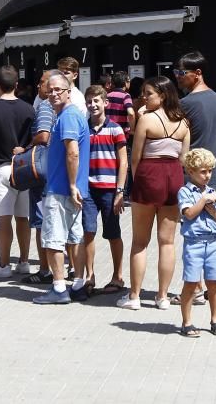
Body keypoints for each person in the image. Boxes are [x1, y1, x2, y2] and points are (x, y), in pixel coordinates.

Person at [116, 76, 190, 310]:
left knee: (140, 242)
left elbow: (135, 156)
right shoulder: (184, 123)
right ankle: (162, 297)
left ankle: (135, 296)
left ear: (163, 95)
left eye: (148, 93)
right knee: (167, 242)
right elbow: (183, 159)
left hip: (149, 174)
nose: (143, 97)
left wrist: (137, 184)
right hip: (174, 177)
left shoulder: (146, 119)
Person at [175, 51, 216, 301]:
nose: (178, 77)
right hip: (214, 175)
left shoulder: (186, 104)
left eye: (182, 73)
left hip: (194, 178)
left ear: (197, 73)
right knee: (214, 233)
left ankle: (196, 289)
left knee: (195, 236)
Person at [33, 72, 91, 304]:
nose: (54, 93)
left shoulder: (67, 117)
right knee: (75, 237)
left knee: (54, 239)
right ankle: (77, 285)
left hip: (61, 189)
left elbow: (73, 152)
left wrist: (71, 184)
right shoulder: (72, 115)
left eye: (59, 89)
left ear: (69, 91)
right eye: (50, 90)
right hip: (72, 189)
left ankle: (58, 289)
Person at [0, 65, 36, 278]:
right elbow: (35, 139)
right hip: (24, 170)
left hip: (1, 168)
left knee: (3, 219)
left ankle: (4, 265)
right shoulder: (29, 109)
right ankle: (23, 261)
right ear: (16, 85)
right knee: (23, 218)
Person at [81, 86, 128, 294]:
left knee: (112, 233)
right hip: (88, 189)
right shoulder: (83, 128)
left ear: (106, 103)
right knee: (88, 232)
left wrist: (120, 191)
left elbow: (124, 162)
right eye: (89, 101)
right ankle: (89, 276)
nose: (93, 105)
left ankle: (118, 276)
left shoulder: (115, 129)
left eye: (96, 101)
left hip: (110, 190)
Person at [177, 148, 216, 337]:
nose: (207, 175)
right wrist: (203, 200)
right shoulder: (185, 192)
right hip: (194, 243)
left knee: (214, 283)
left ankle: (215, 320)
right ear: (190, 172)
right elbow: (188, 213)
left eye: (210, 171)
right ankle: (187, 323)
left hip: (212, 243)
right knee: (191, 283)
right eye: (203, 171)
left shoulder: (212, 192)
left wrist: (212, 208)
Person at [22, 69, 60, 284]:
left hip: (42, 170)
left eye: (43, 82)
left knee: (40, 221)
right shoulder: (66, 107)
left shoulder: (45, 106)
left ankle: (45, 269)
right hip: (56, 170)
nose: (39, 86)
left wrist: (26, 148)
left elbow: (44, 136)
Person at [105, 71, 135, 136]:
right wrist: (132, 130)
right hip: (121, 131)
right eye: (129, 81)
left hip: (107, 130)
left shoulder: (107, 95)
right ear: (125, 83)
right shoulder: (126, 96)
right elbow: (131, 113)